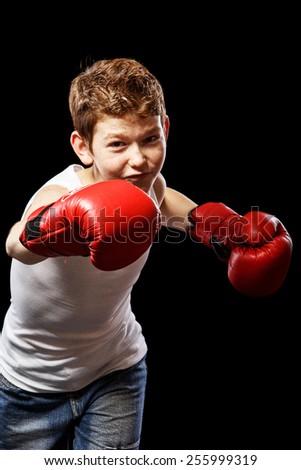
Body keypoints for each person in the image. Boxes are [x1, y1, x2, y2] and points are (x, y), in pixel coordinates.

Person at [0, 58, 293, 450]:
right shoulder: (61, 194)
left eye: (150, 139)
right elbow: (15, 243)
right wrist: (52, 228)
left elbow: (165, 200)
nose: (138, 160)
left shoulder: (148, 185)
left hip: (116, 369)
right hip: (30, 382)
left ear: (166, 129)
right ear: (83, 147)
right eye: (118, 144)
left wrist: (222, 228)